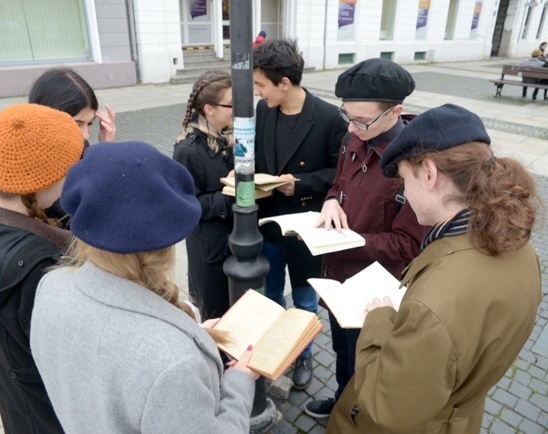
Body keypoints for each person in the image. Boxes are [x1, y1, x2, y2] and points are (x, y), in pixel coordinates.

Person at [326, 103, 543, 433]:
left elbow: (385, 408)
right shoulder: (520, 247)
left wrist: (379, 319)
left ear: (428, 174)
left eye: (403, 180)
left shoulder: (434, 302)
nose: (405, 194)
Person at [30, 141, 258, 433]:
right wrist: (239, 381)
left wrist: (193, 335)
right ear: (166, 245)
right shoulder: (174, 364)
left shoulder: (50, 286)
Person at [304, 58, 429, 418]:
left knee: (368, 359)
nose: (353, 127)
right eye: (348, 116)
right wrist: (329, 201)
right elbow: (339, 183)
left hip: (375, 290)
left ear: (396, 113)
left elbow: (409, 245)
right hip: (338, 276)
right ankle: (343, 402)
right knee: (342, 349)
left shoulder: (413, 165)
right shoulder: (351, 138)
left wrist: (352, 240)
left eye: (362, 120)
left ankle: (360, 415)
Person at [0, 104, 85, 433]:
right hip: (54, 414)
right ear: (42, 181)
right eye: (69, 169)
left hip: (16, 404)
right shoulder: (42, 267)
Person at [253, 38, 348, 390]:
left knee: (306, 299)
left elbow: (339, 175)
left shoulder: (327, 118)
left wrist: (303, 184)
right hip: (268, 224)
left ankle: (303, 352)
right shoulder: (264, 112)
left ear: (284, 83)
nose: (257, 92)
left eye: (261, 84)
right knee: (272, 294)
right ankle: (278, 351)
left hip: (307, 229)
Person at [173, 70, 235, 320]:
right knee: (215, 315)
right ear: (209, 109)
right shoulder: (188, 149)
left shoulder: (229, 137)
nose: (238, 109)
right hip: (209, 250)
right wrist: (229, 194)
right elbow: (186, 206)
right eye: (232, 104)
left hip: (233, 241)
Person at [29, 68, 117, 224]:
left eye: (90, 123)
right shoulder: (33, 166)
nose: (86, 135)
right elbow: (93, 214)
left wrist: (105, 150)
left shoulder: (80, 147)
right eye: (77, 123)